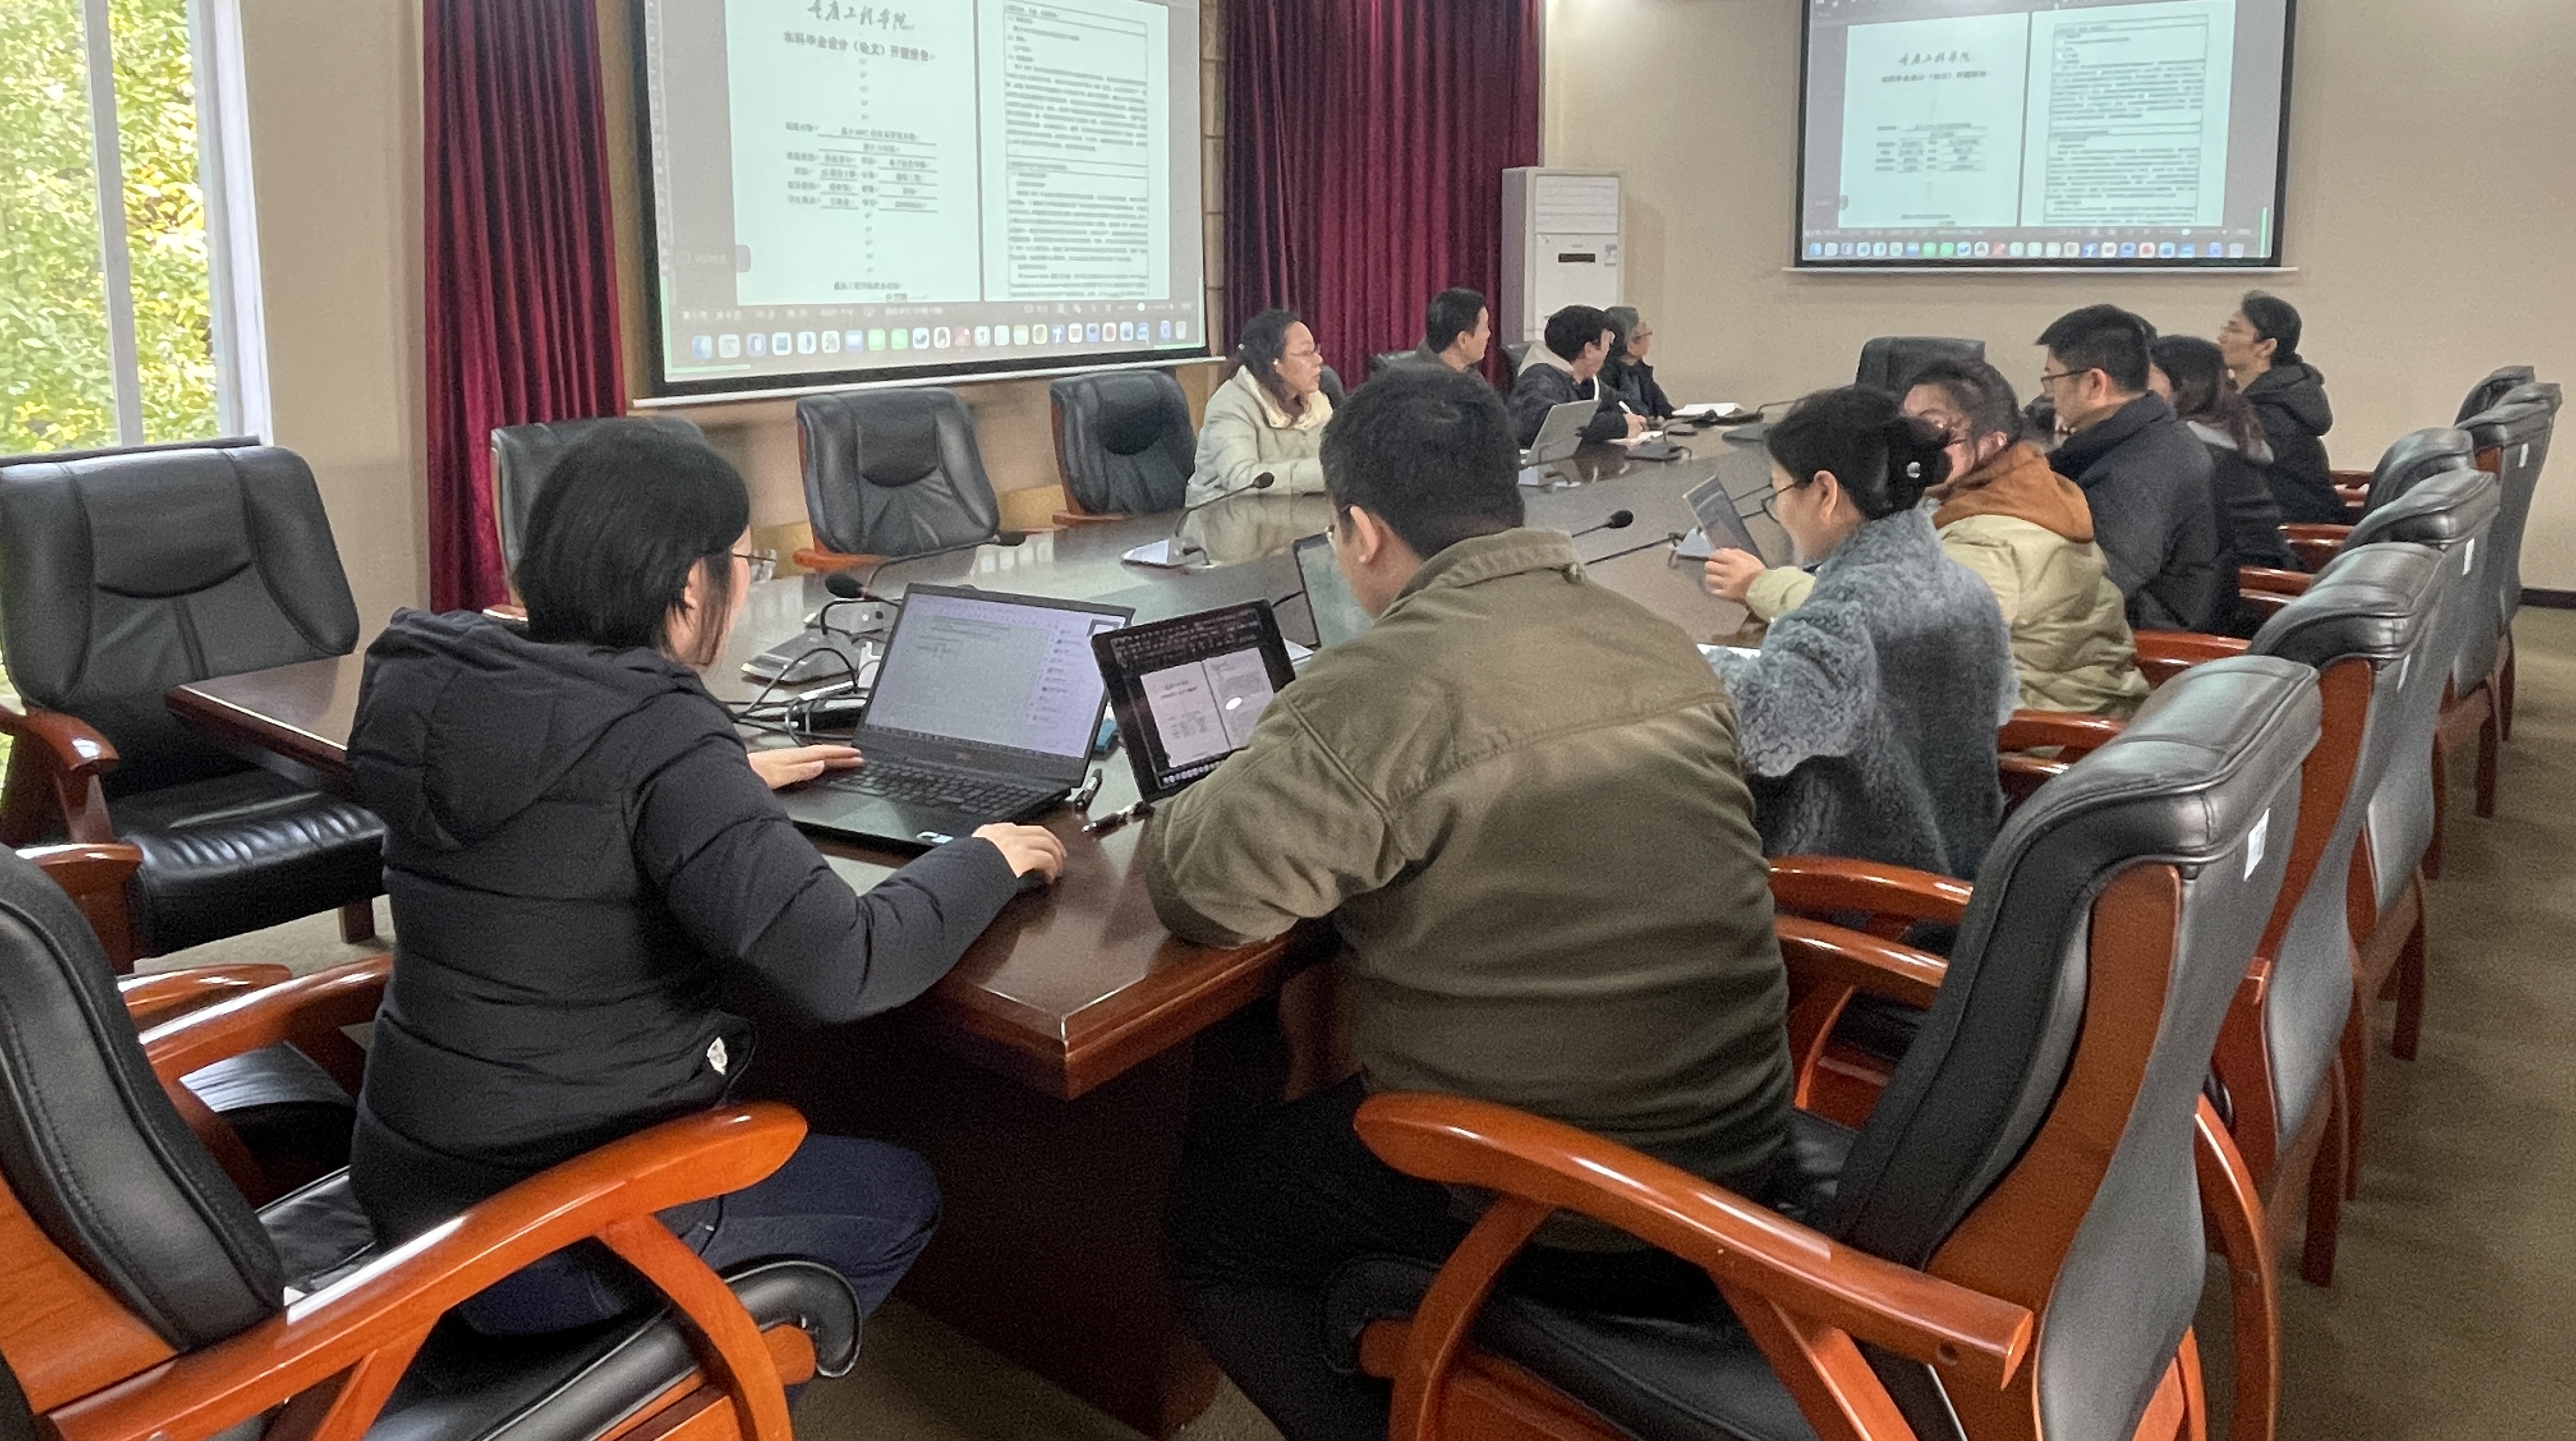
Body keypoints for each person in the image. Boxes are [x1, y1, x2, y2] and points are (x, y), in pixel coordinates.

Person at [1149, 371, 1791, 1441]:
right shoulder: (1655, 640)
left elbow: (1203, 891)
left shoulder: (1379, 684)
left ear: (1359, 530)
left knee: (1213, 1224)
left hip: (1560, 1206)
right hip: (1735, 1149)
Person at [345, 424, 1064, 1336]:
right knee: (899, 1194)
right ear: (692, 583)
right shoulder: (658, 732)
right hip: (547, 1235)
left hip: (410, 1181)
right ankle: (688, 1394)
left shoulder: (447, 684)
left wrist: (719, 780)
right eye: (745, 565)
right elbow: (846, 968)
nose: (744, 584)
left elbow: (569, 809)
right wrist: (987, 855)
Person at [1701, 385, 2015, 875]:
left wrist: (1678, 657)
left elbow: (1760, 728)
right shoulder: (1964, 584)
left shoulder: (1848, 614)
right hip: (1964, 854)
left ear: (1825, 493)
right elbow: (2002, 703)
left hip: (1861, 885)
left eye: (1778, 491)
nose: (1779, 511)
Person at [1731, 360, 2148, 718]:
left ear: (1992, 443)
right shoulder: (2016, 485)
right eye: (1904, 426)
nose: (1911, 443)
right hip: (2049, 707)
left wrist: (1761, 585)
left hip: (2043, 736)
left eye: (1932, 427)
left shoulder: (1991, 534)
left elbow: (1893, 634)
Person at [2037, 304, 2223, 632]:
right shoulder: (2157, 431)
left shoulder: (2130, 477)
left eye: (2052, 378)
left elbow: (2094, 594)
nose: (2046, 393)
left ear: (2095, 383)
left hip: (2154, 641)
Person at [2152, 335, 2294, 631]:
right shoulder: (2231, 426)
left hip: (2241, 591)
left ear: (2179, 385)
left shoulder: (2191, 450)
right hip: (2251, 580)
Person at [2220, 292, 2350, 525]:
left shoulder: (2274, 412)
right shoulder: (2269, 394)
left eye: (2234, 330)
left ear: (2266, 347)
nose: (2222, 337)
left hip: (2297, 533)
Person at [1187, 307, 1334, 504]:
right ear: (1275, 363)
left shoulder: (1317, 402)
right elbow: (1241, 479)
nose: (1319, 360)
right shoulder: (1231, 404)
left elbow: (1334, 457)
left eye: (1316, 350)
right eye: (1306, 353)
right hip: (1220, 514)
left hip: (1285, 512)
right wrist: (1327, 473)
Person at [1505, 303, 1648, 449]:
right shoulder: (1538, 378)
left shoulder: (1587, 381)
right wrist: (1619, 425)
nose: (1609, 351)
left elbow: (1626, 404)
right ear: (1589, 350)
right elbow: (1550, 425)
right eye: (1608, 342)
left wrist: (1634, 418)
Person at [1387, 286, 1491, 375]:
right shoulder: (1412, 384)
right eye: (1484, 328)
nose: (1489, 334)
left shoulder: (1469, 373)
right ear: (1463, 340)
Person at [1602, 305, 1676, 420]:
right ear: (1631, 344)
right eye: (1646, 333)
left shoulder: (1640, 370)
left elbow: (1663, 407)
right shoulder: (1605, 376)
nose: (1650, 334)